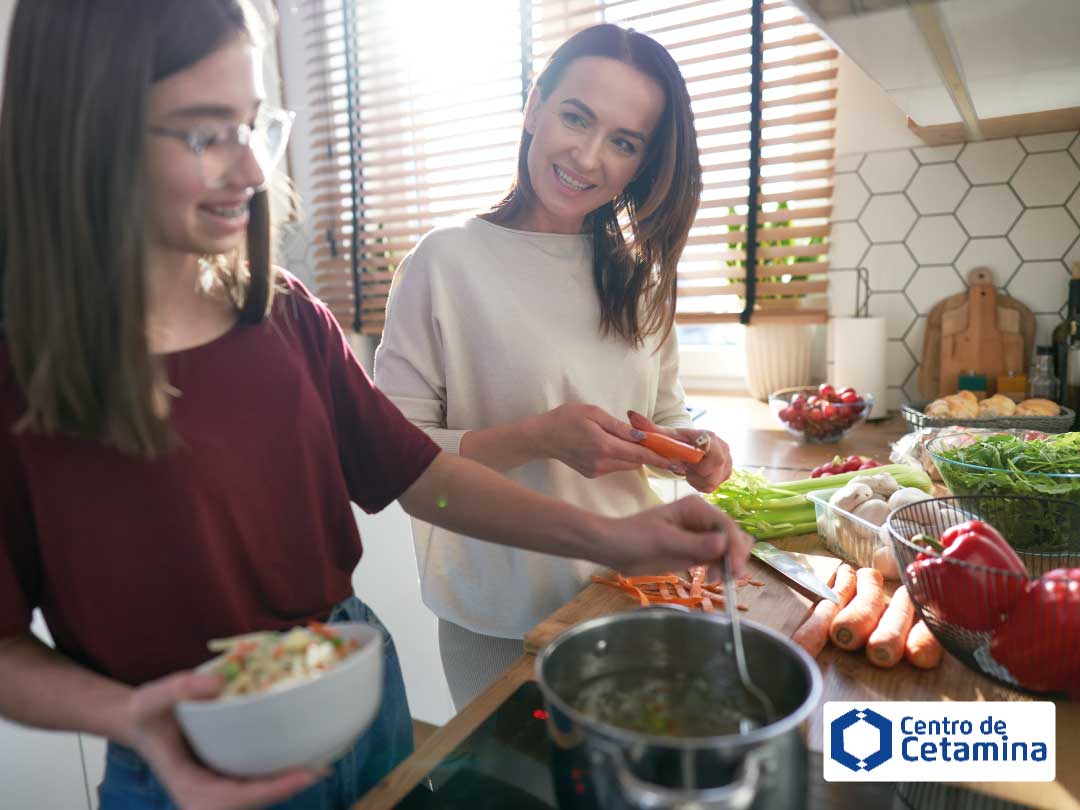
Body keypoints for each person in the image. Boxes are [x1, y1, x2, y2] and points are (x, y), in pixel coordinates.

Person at [0, 3, 750, 809]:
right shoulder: (20, 375)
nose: (253, 170)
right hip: (189, 751)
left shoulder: (286, 316)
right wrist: (131, 718)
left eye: (253, 126)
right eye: (205, 133)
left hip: (361, 691)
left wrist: (619, 537)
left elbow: (419, 474)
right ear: (87, 132)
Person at [374, 23, 736, 710]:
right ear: (535, 107)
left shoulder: (642, 280)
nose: (588, 156)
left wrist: (695, 449)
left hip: (630, 597)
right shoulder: (443, 262)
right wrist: (537, 438)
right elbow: (395, 458)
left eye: (624, 142)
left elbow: (663, 415)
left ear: (642, 163)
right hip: (498, 621)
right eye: (576, 117)